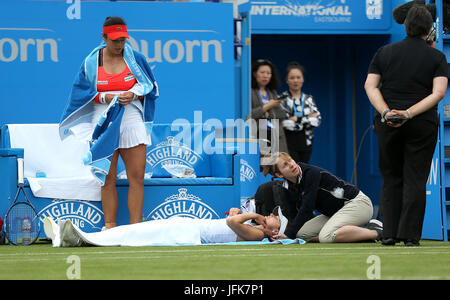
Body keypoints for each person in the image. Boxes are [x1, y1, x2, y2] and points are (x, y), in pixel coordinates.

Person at [59, 16, 159, 229]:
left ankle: (135, 229)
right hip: (102, 122)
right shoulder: (90, 62)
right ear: (103, 37)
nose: (119, 44)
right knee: (107, 178)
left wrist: (133, 94)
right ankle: (110, 228)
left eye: (122, 39)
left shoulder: (137, 58)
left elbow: (150, 86)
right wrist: (104, 98)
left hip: (131, 119)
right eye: (114, 40)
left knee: (137, 177)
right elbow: (80, 95)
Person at [364, 5, 448, 246]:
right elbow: (438, 93)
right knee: (416, 178)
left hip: (388, 123)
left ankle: (389, 233)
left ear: (405, 25)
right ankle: (410, 236)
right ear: (430, 28)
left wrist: (386, 112)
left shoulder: (384, 52)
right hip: (422, 124)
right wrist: (409, 113)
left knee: (390, 177)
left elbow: (370, 86)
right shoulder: (437, 57)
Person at [261, 152, 382, 243]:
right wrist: (287, 235)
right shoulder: (287, 187)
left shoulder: (310, 173)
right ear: (279, 174)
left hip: (358, 204)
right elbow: (294, 214)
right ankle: (356, 235)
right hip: (336, 213)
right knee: (301, 234)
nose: (292, 164)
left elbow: (307, 207)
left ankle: (376, 232)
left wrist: (288, 235)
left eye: (290, 160)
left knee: (326, 236)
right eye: (285, 165)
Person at [42, 206, 288, 247]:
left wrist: (252, 215)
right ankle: (75, 236)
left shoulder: (257, 235)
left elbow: (232, 222)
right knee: (134, 230)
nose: (268, 215)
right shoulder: (256, 228)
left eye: (272, 217)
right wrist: (242, 213)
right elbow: (233, 217)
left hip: (188, 233)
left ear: (274, 231)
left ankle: (80, 237)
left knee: (135, 234)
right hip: (186, 227)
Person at [279, 62, 321, 163]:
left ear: (303, 79)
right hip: (288, 143)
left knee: (304, 172)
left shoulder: (309, 99)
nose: (295, 80)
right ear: (287, 80)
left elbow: (317, 120)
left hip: (306, 142)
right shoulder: (281, 99)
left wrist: (297, 119)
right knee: (291, 171)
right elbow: (286, 124)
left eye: (298, 77)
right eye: (292, 78)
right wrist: (307, 118)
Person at [251, 59, 288, 155]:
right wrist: (267, 106)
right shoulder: (250, 92)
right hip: (258, 133)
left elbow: (281, 115)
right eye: (262, 72)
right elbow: (249, 114)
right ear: (255, 74)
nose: (265, 76)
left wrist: (268, 113)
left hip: (275, 134)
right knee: (263, 164)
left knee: (277, 165)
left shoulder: (272, 92)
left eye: (268, 73)